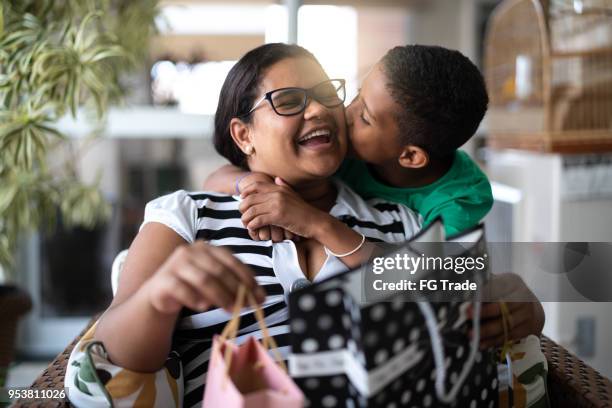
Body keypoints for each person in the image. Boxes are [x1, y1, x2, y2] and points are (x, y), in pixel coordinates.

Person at [64, 43, 423, 408]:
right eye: (287, 100)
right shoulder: (187, 215)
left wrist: (318, 225)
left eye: (326, 95)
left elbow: (459, 294)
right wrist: (160, 296)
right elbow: (111, 357)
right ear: (243, 135)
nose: (317, 109)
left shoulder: (399, 220)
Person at [202, 44, 542, 350]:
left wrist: (315, 222)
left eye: (364, 116)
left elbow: (437, 283)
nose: (343, 114)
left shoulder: (456, 200)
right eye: (356, 95)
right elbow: (217, 177)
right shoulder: (347, 152)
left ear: (409, 157)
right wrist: (255, 184)